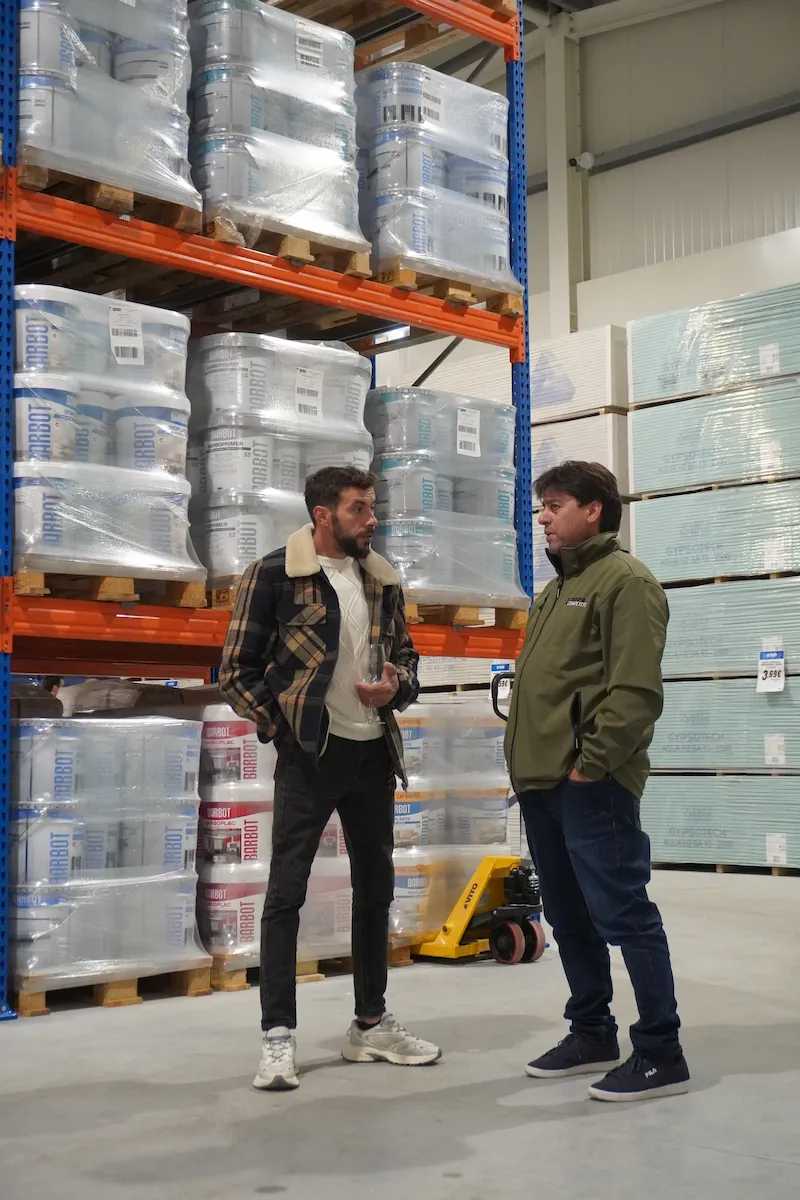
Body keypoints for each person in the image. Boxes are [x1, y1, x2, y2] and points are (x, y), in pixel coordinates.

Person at [219, 464, 441, 1091]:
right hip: (312, 755)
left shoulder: (381, 579)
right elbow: (236, 671)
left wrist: (396, 686)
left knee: (375, 891)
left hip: (373, 755)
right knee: (286, 892)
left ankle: (370, 1024)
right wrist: (285, 727)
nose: (372, 519)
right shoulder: (273, 575)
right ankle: (277, 1035)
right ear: (323, 515)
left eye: (372, 507)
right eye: (358, 508)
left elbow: (406, 658)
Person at [504, 460, 689, 1102]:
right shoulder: (556, 591)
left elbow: (635, 691)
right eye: (541, 507)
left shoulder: (626, 582)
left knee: (623, 913)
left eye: (555, 505)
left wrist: (591, 765)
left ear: (594, 511)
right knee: (566, 914)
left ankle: (661, 1053)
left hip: (591, 783)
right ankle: (591, 1032)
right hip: (541, 781)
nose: (544, 518)